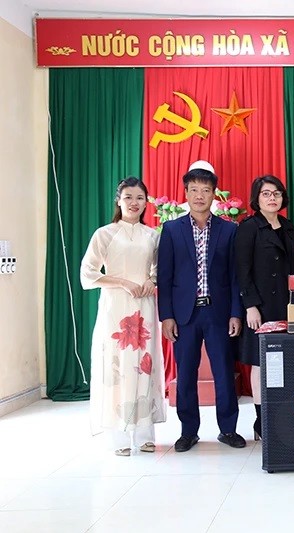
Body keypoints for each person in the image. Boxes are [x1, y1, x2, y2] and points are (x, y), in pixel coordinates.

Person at [157, 166, 245, 452]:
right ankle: (188, 431)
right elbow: (165, 277)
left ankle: (228, 429)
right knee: (185, 375)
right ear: (185, 193)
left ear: (213, 195)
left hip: (218, 313)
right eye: (194, 190)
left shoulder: (229, 230)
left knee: (223, 373)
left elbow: (234, 276)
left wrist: (235, 312)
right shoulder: (171, 230)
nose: (199, 195)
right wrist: (167, 316)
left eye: (205, 190)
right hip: (185, 315)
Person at [80, 177, 166, 456]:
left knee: (143, 363)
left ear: (146, 202)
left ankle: (144, 433)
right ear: (118, 200)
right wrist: (123, 283)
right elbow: (88, 274)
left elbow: (158, 269)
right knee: (116, 366)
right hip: (116, 307)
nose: (134, 203)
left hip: (144, 307)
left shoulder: (152, 235)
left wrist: (152, 282)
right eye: (128, 197)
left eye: (140, 197)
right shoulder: (104, 234)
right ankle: (118, 436)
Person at [234, 175, 294, 441]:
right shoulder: (249, 227)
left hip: (288, 304)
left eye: (276, 193)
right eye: (266, 194)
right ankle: (261, 421)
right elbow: (242, 270)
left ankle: (283, 414)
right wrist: (250, 305)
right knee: (260, 362)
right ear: (257, 198)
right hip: (260, 307)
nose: (272, 198)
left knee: (285, 361)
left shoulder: (287, 226)